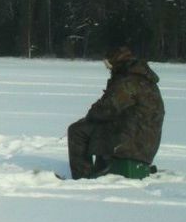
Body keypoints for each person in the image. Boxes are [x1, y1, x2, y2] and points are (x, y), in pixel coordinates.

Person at [67, 45, 164, 179]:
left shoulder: (128, 82)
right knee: (102, 127)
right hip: (144, 141)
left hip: (132, 141)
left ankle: (82, 177)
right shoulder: (142, 78)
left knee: (77, 130)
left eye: (108, 63)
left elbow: (104, 109)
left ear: (116, 61)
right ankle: (102, 166)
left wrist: (90, 115)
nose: (107, 68)